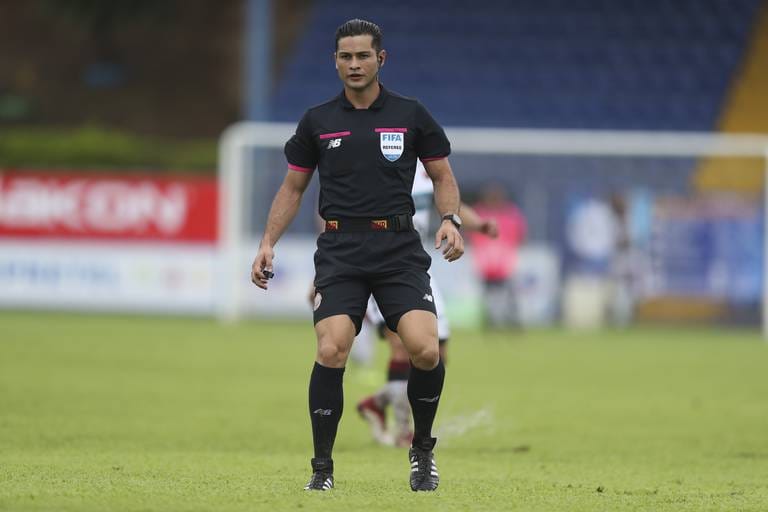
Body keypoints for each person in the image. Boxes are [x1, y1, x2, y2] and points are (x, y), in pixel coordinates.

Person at [251, 19, 465, 492]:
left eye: (362, 56)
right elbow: (292, 188)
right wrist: (268, 242)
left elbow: (444, 177)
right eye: (345, 57)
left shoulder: (411, 114)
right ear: (335, 61)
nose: (353, 64)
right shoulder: (317, 121)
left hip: (398, 251)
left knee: (426, 350)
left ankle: (422, 453)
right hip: (340, 252)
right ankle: (322, 470)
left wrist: (451, 220)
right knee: (331, 349)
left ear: (380, 59)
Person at [356, 162, 498, 447]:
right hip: (378, 262)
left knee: (436, 354)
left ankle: (377, 402)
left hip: (415, 266)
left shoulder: (426, 166)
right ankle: (404, 430)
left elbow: (451, 206)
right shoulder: (376, 157)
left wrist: (479, 224)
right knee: (401, 345)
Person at [469, 185, 526, 328]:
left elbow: (519, 234)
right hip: (487, 262)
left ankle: (512, 321)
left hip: (504, 261)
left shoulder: (511, 214)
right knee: (489, 295)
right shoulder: (479, 213)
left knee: (508, 293)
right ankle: (491, 321)